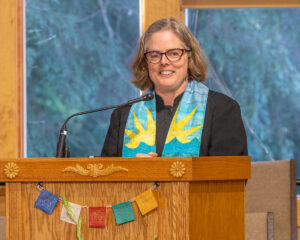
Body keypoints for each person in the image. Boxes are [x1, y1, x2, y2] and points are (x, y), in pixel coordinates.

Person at [101, 18, 247, 158]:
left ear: (189, 58)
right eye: (154, 55)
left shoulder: (223, 110)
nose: (164, 62)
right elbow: (105, 179)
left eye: (174, 54)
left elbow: (230, 179)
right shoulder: (122, 116)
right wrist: (133, 171)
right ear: (146, 63)